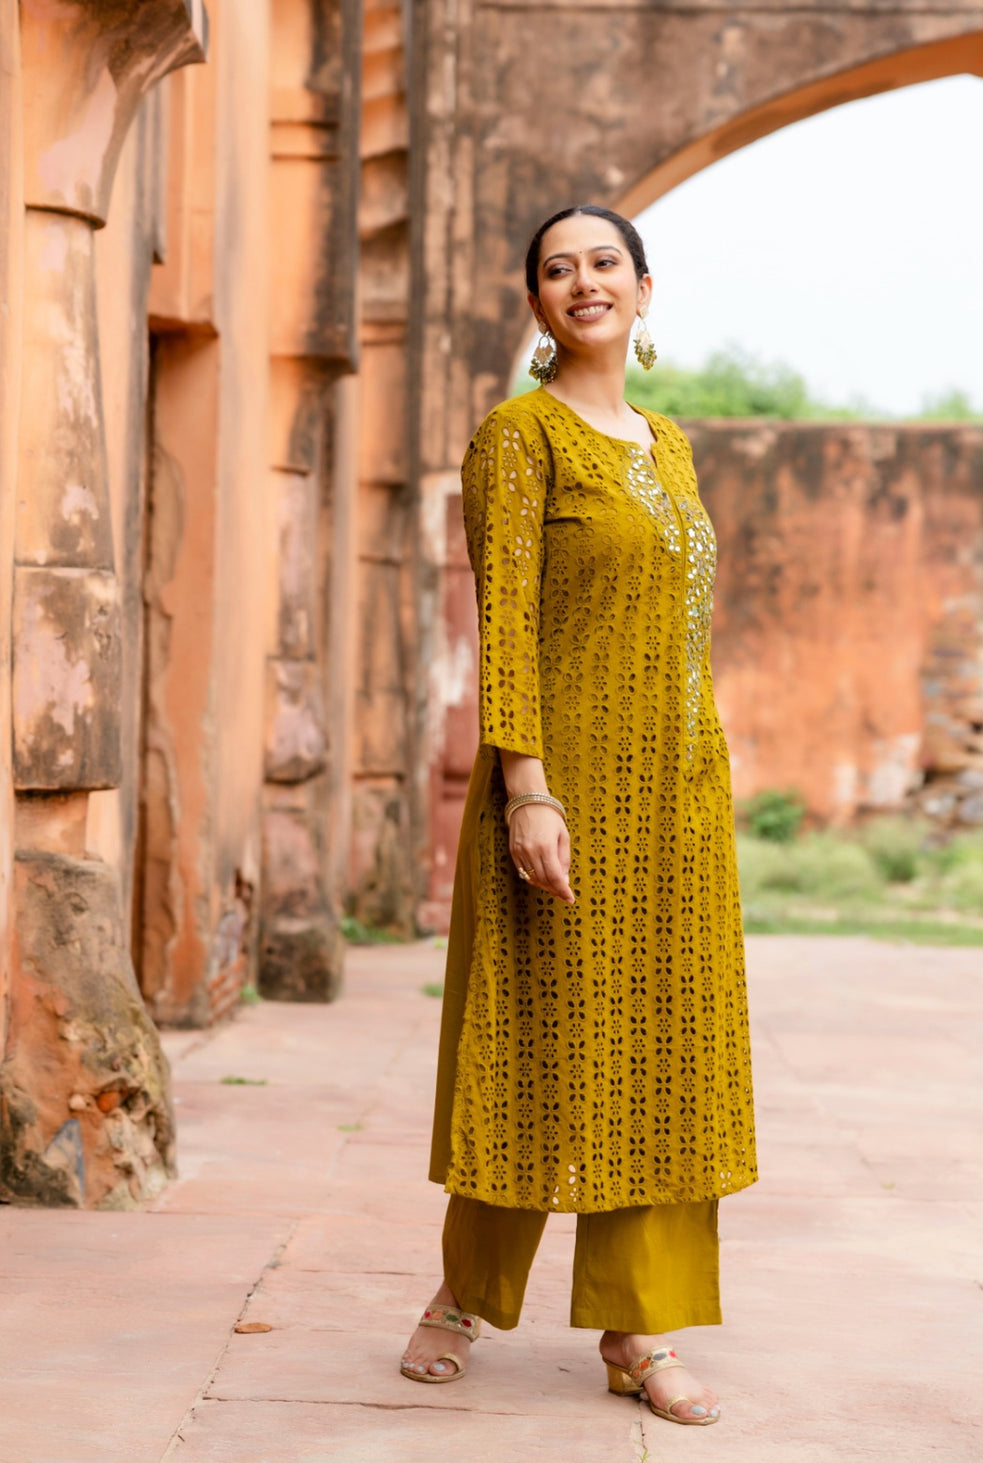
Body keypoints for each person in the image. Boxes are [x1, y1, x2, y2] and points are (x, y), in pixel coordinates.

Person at [400, 205, 757, 1427]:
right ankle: (462, 1292)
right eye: (559, 269)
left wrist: (704, 771)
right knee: (533, 1040)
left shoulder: (669, 444)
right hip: (560, 791)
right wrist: (526, 791)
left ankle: (636, 1326)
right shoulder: (520, 437)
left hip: (676, 803)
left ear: (644, 290)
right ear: (538, 304)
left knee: (663, 1052)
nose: (584, 281)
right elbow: (505, 624)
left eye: (605, 263)